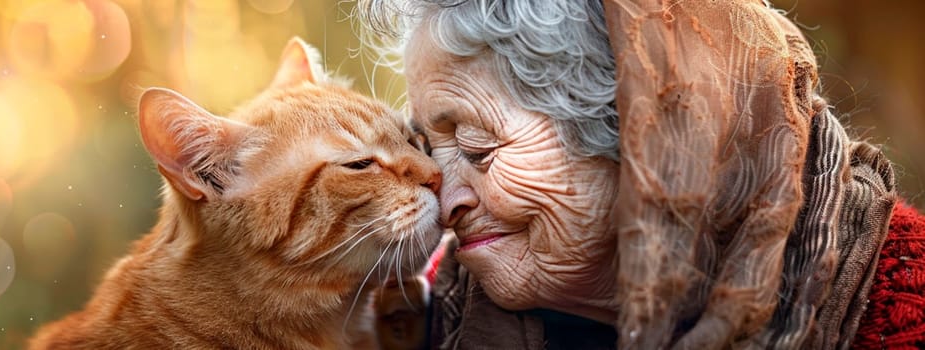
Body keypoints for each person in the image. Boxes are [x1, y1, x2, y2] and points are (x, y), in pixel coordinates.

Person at [358, 0, 925, 348]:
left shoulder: (899, 305)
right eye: (431, 148)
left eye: (478, 148)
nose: (444, 197)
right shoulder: (403, 315)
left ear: (647, 134)